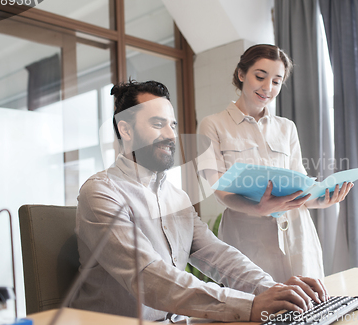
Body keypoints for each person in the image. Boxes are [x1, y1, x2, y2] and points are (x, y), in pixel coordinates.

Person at [69, 79, 329, 322]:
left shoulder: (176, 197)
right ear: (125, 129)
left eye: (172, 125)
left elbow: (217, 254)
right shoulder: (101, 193)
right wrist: (249, 306)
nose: (171, 136)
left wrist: (275, 289)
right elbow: (147, 276)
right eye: (158, 124)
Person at [198, 44, 353, 283]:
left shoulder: (286, 127)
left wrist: (323, 199)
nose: (267, 88)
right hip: (247, 238)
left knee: (308, 311)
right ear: (241, 74)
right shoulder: (213, 124)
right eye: (260, 77)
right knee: (257, 311)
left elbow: (300, 185)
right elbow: (218, 187)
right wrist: (259, 208)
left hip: (297, 234)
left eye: (276, 81)